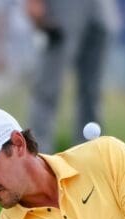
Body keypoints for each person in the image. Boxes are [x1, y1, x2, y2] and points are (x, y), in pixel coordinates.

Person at [25, 0, 117, 152]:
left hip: (100, 6)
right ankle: (37, 153)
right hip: (62, 7)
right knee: (47, 88)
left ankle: (90, 154)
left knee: (92, 92)